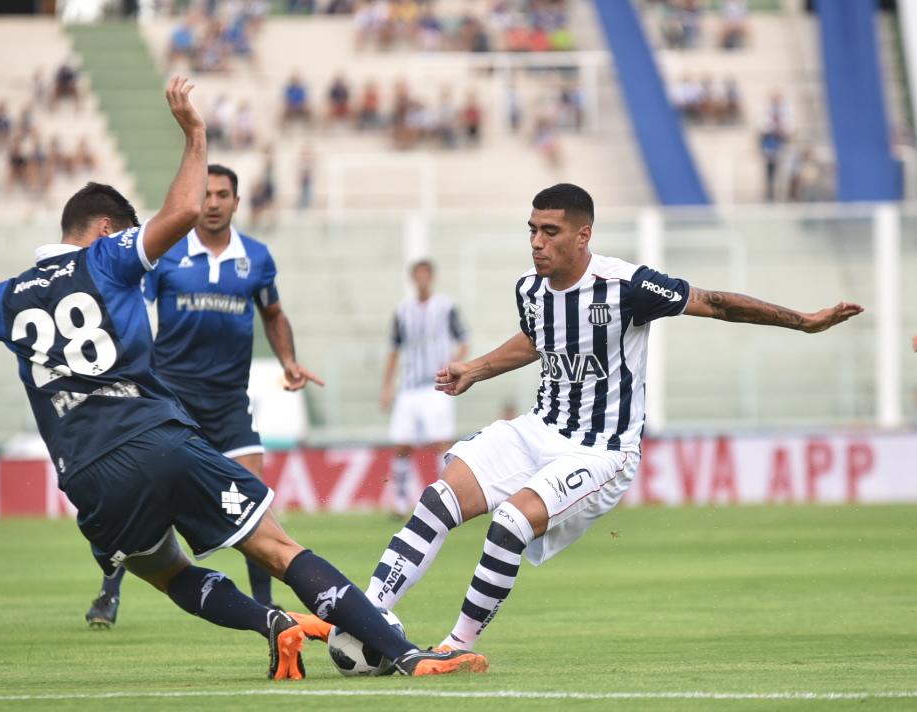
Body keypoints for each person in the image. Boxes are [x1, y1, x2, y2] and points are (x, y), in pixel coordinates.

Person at [0, 77, 485, 680]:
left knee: (167, 573)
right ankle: (406, 656)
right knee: (276, 547)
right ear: (108, 229)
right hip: (157, 436)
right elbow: (183, 211)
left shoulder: (4, 300)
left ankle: (272, 623)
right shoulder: (107, 257)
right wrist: (195, 131)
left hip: (87, 476)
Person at [365, 183, 863, 651]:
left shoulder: (628, 286)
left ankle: (457, 647)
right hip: (539, 428)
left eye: (550, 232)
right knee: (437, 500)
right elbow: (540, 339)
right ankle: (364, 618)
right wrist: (475, 369)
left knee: (511, 523)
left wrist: (804, 322)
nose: (537, 243)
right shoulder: (529, 289)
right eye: (532, 231)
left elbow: (713, 302)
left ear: (584, 235)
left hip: (602, 449)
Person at [84, 162, 323, 626]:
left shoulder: (257, 258)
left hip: (230, 402)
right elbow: (133, 308)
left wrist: (289, 360)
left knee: (254, 501)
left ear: (236, 202)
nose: (212, 203)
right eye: (207, 194)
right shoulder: (167, 255)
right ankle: (108, 593)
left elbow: (273, 315)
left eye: (222, 195)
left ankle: (267, 603)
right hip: (171, 397)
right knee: (143, 502)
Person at [380, 260, 468, 516]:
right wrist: (387, 386)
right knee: (401, 444)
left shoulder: (446, 307)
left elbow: (464, 340)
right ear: (412, 279)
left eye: (425, 275)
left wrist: (455, 366)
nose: (421, 280)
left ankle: (447, 499)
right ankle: (399, 501)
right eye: (417, 276)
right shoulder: (402, 311)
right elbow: (394, 349)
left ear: (432, 277)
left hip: (436, 386)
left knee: (441, 442)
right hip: (408, 387)